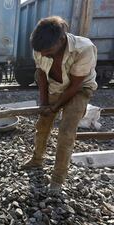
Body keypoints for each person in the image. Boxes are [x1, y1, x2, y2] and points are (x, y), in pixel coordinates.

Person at [20, 16, 98, 194]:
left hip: (79, 89)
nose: (44, 54)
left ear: (61, 40)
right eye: (41, 51)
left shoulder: (84, 49)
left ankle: (57, 179)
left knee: (66, 133)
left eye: (47, 51)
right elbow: (40, 75)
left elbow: (74, 86)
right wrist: (44, 104)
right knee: (42, 125)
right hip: (55, 85)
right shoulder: (41, 49)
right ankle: (37, 159)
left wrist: (55, 107)